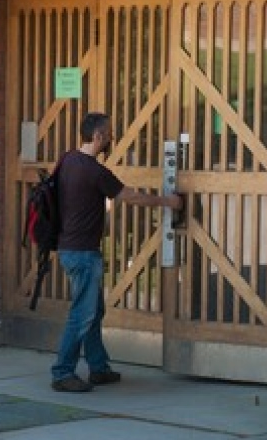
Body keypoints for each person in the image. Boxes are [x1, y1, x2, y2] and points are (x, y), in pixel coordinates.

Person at [50, 112, 183, 392]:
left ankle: (98, 368)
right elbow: (131, 197)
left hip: (69, 248)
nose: (113, 137)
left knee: (93, 311)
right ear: (97, 136)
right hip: (83, 253)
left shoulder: (67, 161)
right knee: (83, 314)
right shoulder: (94, 171)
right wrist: (168, 201)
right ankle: (62, 373)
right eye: (109, 133)